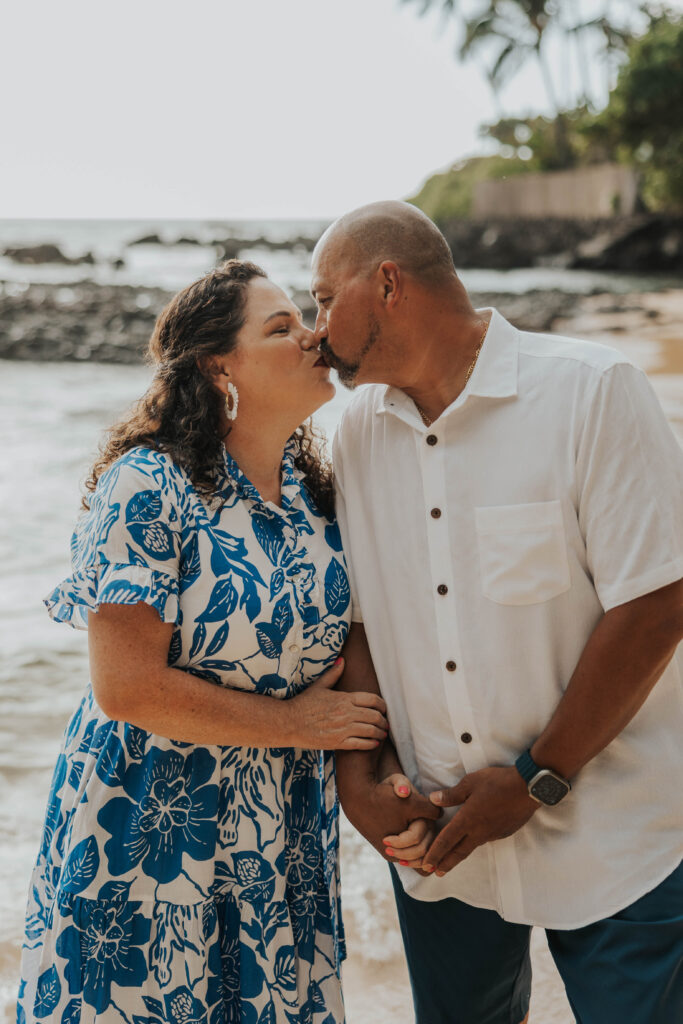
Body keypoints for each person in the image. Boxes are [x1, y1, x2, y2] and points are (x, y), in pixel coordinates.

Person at [17, 259, 436, 1024]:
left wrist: (379, 779)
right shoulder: (151, 484)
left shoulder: (320, 496)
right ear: (217, 368)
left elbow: (359, 647)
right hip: (151, 824)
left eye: (301, 320)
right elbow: (127, 687)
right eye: (280, 328)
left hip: (282, 831)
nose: (312, 337)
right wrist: (291, 726)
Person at [310, 201, 683, 1024]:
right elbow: (358, 623)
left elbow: (657, 602)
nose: (312, 331)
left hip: (617, 834)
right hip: (440, 847)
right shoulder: (350, 436)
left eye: (321, 299)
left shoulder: (592, 392)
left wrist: (535, 779)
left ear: (386, 284)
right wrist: (359, 783)